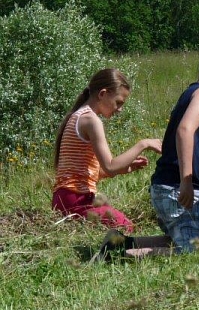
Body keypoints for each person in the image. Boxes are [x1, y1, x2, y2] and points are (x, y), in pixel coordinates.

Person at [91, 44, 199, 260]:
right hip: (178, 189)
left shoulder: (193, 94)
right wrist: (187, 180)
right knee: (194, 251)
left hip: (168, 188)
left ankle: (119, 243)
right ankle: (117, 256)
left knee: (180, 240)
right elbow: (184, 130)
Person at [52, 68, 162, 232]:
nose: (119, 109)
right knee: (125, 227)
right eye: (118, 102)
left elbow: (99, 171)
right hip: (74, 199)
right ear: (102, 94)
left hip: (64, 198)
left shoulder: (79, 115)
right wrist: (143, 143)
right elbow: (110, 165)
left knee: (121, 223)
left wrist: (127, 167)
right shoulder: (90, 120)